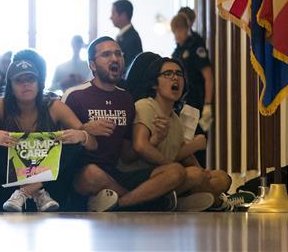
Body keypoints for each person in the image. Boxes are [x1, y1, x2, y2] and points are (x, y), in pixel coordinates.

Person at [63, 38, 195, 212]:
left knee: (175, 171)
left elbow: (127, 155)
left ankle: (123, 202)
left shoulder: (126, 99)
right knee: (92, 173)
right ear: (92, 65)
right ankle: (148, 202)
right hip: (82, 175)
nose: (114, 58)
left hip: (116, 173)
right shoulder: (75, 96)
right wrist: (85, 129)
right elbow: (59, 140)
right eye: (106, 54)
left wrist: (155, 138)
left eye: (118, 54)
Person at [0, 54, 98, 212]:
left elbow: (93, 144)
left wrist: (83, 136)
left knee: (73, 142)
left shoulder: (54, 106)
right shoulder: (0, 105)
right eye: (19, 80)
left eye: (30, 79)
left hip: (49, 187)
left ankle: (28, 191)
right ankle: (35, 190)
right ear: (10, 86)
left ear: (39, 84)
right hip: (9, 187)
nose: (26, 85)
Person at [127, 55, 230, 209]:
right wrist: (177, 167)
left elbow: (184, 154)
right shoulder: (145, 106)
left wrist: (204, 174)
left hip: (169, 175)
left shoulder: (175, 118)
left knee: (222, 178)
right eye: (167, 74)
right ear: (155, 84)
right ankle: (219, 203)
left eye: (179, 74)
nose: (175, 78)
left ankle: (175, 201)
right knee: (191, 174)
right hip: (143, 176)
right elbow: (140, 146)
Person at [170, 13, 214, 167]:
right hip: (183, 104)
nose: (176, 36)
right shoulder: (178, 50)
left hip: (197, 102)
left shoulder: (196, 45)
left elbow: (208, 76)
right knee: (184, 141)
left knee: (198, 142)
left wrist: (208, 104)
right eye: (174, 32)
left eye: (178, 31)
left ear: (185, 29)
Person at [111, 0, 142, 77]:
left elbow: (130, 66)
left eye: (113, 13)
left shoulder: (132, 37)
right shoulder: (123, 35)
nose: (110, 17)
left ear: (123, 15)